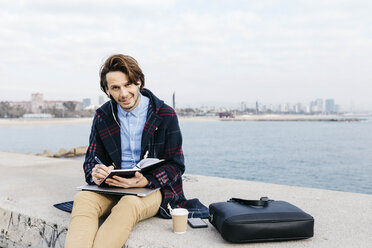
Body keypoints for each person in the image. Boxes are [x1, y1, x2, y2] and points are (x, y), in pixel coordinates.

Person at [65, 54, 208, 248]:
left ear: (139, 82)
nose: (123, 93)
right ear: (107, 90)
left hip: (150, 189)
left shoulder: (165, 114)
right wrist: (96, 173)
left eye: (128, 84)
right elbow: (91, 161)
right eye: (115, 87)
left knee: (129, 204)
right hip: (111, 187)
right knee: (82, 199)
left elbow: (176, 164)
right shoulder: (102, 116)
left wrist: (147, 180)